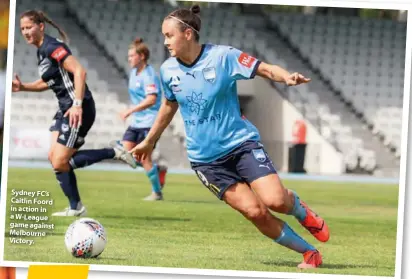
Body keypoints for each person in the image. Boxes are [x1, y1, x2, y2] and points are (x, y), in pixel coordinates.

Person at [130, 5, 329, 268]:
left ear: (188, 34)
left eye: (169, 35)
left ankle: (303, 212)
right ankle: (309, 253)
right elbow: (169, 106)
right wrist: (149, 140)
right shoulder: (167, 71)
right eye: (164, 36)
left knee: (275, 201)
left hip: (241, 145)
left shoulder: (223, 57)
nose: (165, 42)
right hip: (206, 162)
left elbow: (265, 69)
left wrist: (286, 77)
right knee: (254, 212)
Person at [12, 10, 137, 217]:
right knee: (55, 159)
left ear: (41, 26)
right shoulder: (41, 50)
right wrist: (24, 87)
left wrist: (77, 104)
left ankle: (114, 152)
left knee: (61, 162)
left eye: (29, 27)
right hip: (64, 109)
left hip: (78, 109)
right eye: (22, 29)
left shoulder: (53, 47)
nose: (25, 32)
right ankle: (75, 207)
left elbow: (80, 71)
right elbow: (49, 81)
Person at [111, 37, 168, 201]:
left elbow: (151, 99)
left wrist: (130, 110)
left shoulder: (149, 75)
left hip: (150, 122)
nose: (129, 59)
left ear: (142, 56)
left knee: (144, 158)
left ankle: (157, 193)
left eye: (131, 56)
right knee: (126, 155)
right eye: (128, 56)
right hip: (136, 122)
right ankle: (157, 171)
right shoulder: (134, 73)